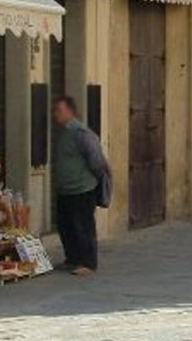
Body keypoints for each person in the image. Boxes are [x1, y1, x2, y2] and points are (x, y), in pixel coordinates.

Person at [52, 95, 111, 275]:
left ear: (70, 111)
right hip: (65, 190)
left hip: (82, 189)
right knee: (65, 226)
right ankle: (73, 259)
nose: (56, 115)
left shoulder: (81, 133)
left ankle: (88, 263)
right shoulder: (62, 133)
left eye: (59, 111)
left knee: (83, 226)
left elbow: (96, 161)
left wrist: (91, 181)